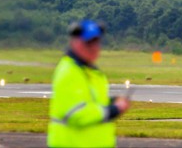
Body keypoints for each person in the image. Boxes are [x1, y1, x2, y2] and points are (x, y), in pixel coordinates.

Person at [47, 19, 131, 148]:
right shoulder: (70, 72)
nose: (94, 48)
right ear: (75, 43)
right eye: (88, 43)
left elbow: (91, 102)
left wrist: (111, 101)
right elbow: (77, 114)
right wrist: (113, 109)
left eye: (96, 43)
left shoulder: (92, 73)